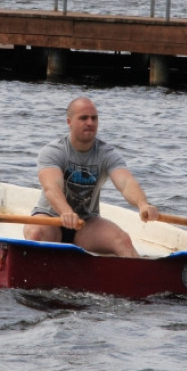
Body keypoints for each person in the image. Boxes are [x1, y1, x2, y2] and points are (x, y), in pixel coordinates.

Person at [25, 97, 159, 257]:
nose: (90, 122)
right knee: (35, 235)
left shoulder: (107, 153)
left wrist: (143, 204)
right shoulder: (54, 151)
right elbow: (51, 188)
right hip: (50, 219)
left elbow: (126, 182)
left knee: (123, 241)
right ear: (70, 122)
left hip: (86, 222)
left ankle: (139, 279)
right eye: (83, 118)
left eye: (94, 118)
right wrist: (66, 212)